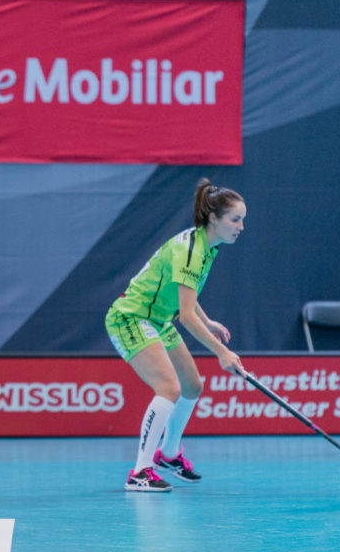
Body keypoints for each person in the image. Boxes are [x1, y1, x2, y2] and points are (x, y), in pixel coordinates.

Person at [105, 178, 246, 492]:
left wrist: (206, 320)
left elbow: (185, 297)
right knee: (168, 387)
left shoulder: (207, 247)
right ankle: (140, 472)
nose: (240, 226)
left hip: (158, 319)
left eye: (242, 220)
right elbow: (185, 316)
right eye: (235, 219)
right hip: (131, 317)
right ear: (214, 218)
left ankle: (168, 454)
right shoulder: (190, 251)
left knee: (192, 386)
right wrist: (222, 352)